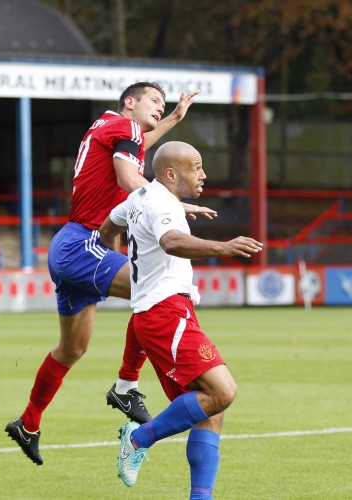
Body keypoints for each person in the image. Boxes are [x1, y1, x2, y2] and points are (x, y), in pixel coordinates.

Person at [5, 82, 217, 466]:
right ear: (129, 102)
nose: (159, 107)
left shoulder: (111, 128)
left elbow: (138, 147)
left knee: (72, 349)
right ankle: (126, 386)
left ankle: (29, 422)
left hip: (71, 246)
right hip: (85, 243)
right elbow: (126, 177)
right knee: (153, 290)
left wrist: (172, 118)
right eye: (154, 100)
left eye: (163, 104)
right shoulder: (126, 129)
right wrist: (172, 203)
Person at [98, 141, 263, 498]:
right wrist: (222, 247)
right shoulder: (161, 204)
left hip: (161, 314)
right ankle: (138, 439)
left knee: (209, 410)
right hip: (165, 314)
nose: (203, 175)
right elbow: (172, 241)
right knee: (222, 392)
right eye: (196, 167)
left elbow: (107, 228)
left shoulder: (141, 198)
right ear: (171, 173)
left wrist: (121, 259)